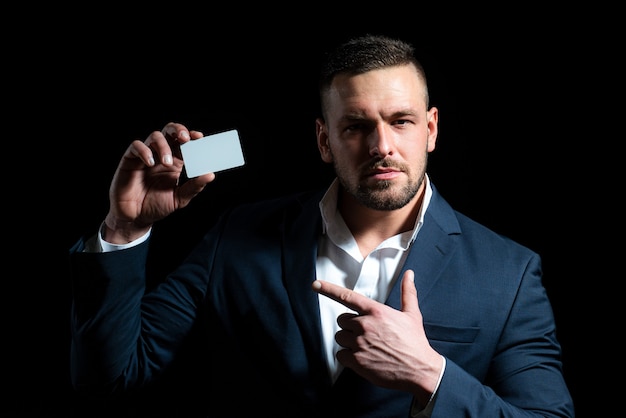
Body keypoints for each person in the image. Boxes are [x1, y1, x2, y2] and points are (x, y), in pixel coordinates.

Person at [68, 34, 574, 417]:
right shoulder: (237, 236)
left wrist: (430, 375)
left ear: (431, 129)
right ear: (324, 140)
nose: (381, 146)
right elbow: (109, 380)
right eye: (356, 126)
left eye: (400, 120)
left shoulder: (509, 272)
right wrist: (122, 228)